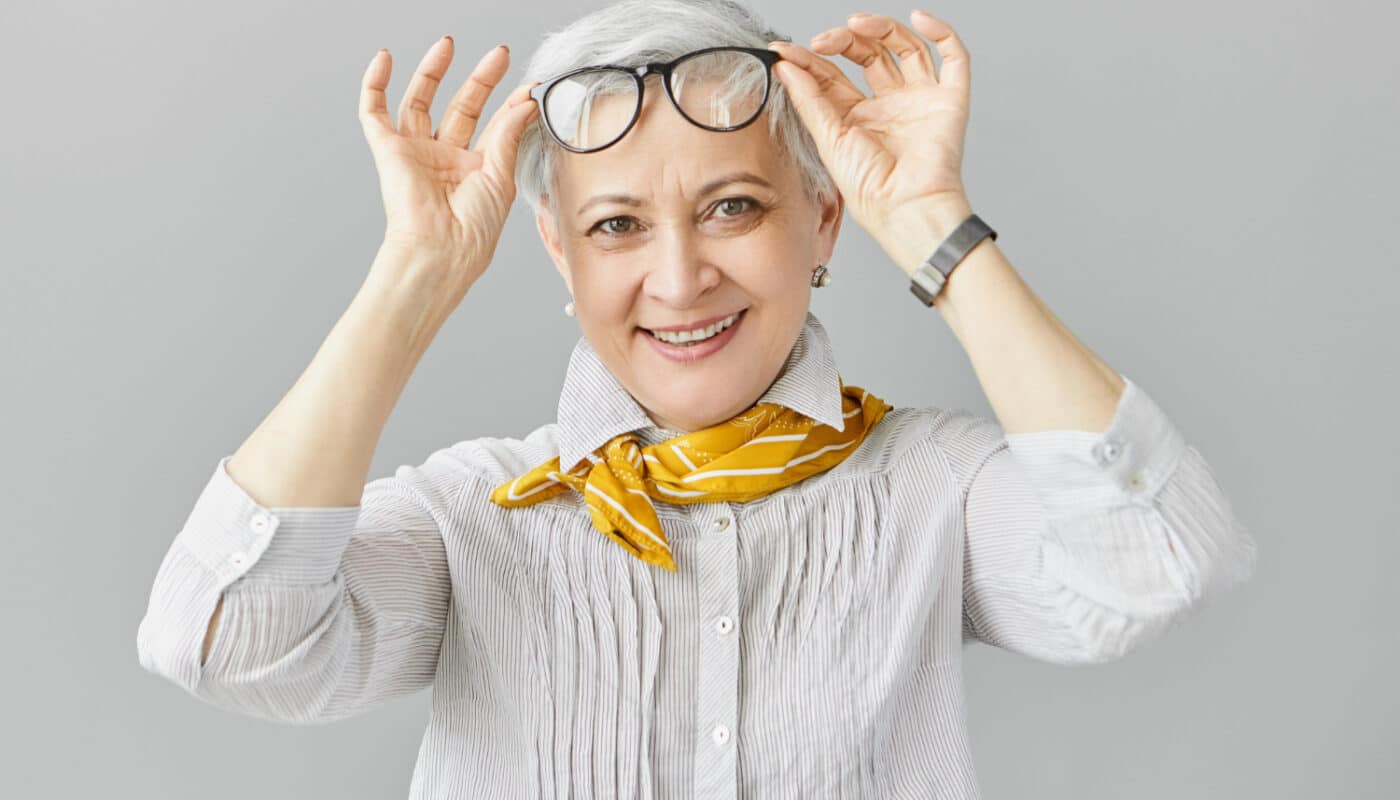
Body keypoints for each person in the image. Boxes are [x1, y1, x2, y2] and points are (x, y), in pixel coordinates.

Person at [135, 0, 1259, 796]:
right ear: (558, 251)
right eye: (615, 225)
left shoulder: (932, 488)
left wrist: (930, 227)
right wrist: (414, 278)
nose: (678, 279)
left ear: (820, 220)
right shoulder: (472, 514)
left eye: (731, 207)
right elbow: (222, 640)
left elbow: (1159, 558)